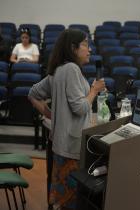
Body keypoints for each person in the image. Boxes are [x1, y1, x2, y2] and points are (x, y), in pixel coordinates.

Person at [28, 29, 105, 210]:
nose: (89, 49)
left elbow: (32, 94)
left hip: (61, 144)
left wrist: (50, 114)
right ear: (73, 47)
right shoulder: (71, 69)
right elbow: (79, 108)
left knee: (64, 201)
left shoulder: (58, 70)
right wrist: (94, 91)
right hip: (72, 147)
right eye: (86, 44)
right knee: (71, 201)